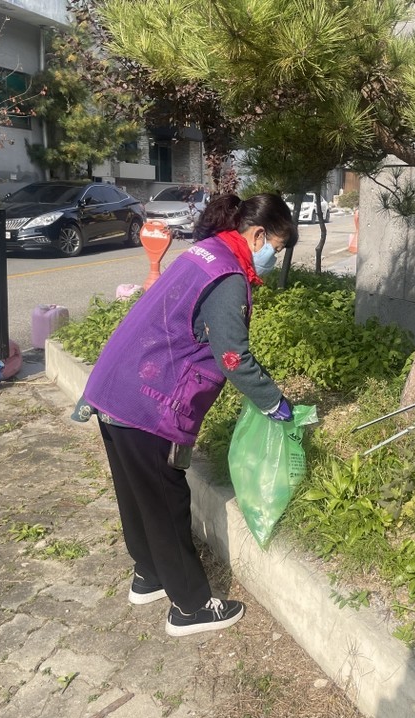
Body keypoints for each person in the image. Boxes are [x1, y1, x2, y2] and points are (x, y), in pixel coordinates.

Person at [79, 193, 298, 636]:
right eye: (275, 246)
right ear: (257, 234)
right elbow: (233, 356)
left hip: (113, 388)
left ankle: (150, 575)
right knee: (165, 500)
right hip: (147, 399)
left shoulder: (204, 253)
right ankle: (191, 607)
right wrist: (273, 401)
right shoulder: (228, 274)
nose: (274, 256)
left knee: (136, 493)